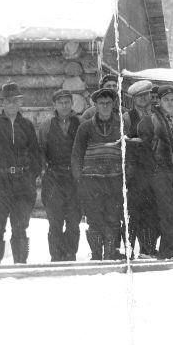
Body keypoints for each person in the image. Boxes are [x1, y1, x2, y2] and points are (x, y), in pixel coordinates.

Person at [0, 83, 42, 264]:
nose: (11, 104)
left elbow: (36, 155)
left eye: (15, 100)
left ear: (20, 102)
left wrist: (30, 178)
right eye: (7, 101)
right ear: (2, 103)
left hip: (22, 183)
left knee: (20, 226)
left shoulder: (26, 125)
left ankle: (20, 266)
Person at [72, 88, 133, 260]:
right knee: (94, 217)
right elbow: (77, 153)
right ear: (96, 105)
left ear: (113, 104)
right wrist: (79, 179)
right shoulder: (85, 127)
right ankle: (97, 254)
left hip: (115, 179)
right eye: (101, 103)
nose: (105, 106)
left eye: (108, 103)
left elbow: (128, 151)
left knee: (113, 217)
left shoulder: (122, 124)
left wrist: (127, 175)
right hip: (92, 181)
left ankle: (111, 253)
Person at [137, 86, 173, 260]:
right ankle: (167, 249)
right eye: (166, 100)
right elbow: (143, 150)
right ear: (159, 101)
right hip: (159, 173)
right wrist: (153, 171)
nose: (170, 103)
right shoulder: (150, 120)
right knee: (166, 211)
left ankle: (168, 248)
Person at [37, 90, 82, 262]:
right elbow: (40, 151)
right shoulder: (46, 126)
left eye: (67, 102)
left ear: (72, 104)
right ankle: (56, 256)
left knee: (73, 220)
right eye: (60, 102)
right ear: (54, 105)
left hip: (74, 178)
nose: (64, 105)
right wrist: (43, 172)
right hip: (54, 178)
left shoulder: (81, 123)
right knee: (55, 221)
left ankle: (70, 254)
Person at [126, 80, 159, 258]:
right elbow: (124, 142)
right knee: (133, 211)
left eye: (146, 94)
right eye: (140, 96)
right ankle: (129, 250)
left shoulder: (157, 114)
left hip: (154, 169)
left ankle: (148, 248)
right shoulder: (127, 117)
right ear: (133, 99)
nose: (144, 99)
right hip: (134, 172)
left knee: (152, 211)